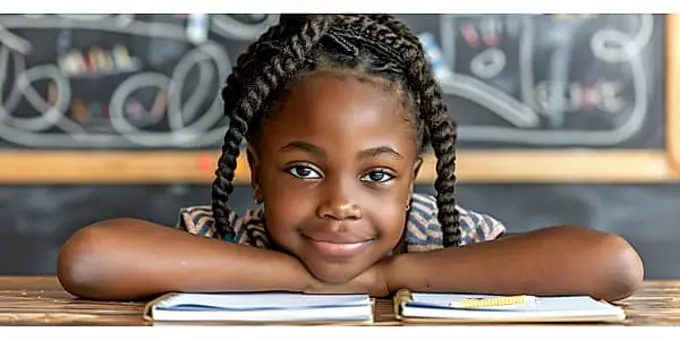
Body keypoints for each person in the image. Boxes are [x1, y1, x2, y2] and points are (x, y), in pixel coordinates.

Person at [57, 14, 643, 302]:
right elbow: (89, 260)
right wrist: (298, 279)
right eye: (304, 169)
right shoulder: (223, 236)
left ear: (412, 179)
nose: (340, 204)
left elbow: (613, 267)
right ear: (256, 172)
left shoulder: (448, 238)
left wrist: (390, 274)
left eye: (378, 175)